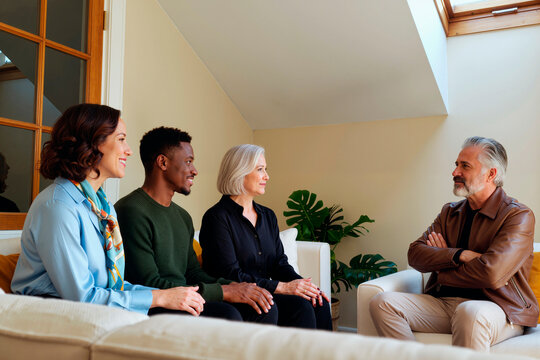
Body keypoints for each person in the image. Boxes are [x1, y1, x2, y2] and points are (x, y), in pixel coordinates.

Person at [11, 104, 207, 315]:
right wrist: (159, 297)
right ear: (93, 143)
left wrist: (170, 295)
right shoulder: (57, 207)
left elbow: (113, 287)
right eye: (121, 139)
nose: (129, 150)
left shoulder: (103, 208)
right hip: (48, 316)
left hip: (89, 311)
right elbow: (83, 297)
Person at [369, 136, 538, 351]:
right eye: (456, 165)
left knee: (469, 312)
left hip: (499, 309)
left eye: (465, 166)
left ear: (491, 174)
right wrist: (460, 255)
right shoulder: (450, 212)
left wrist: (443, 270)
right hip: (445, 303)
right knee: (382, 302)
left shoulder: (518, 216)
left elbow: (492, 274)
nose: (455, 172)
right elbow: (415, 254)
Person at [114, 127, 274, 321]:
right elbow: (148, 283)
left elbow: (193, 272)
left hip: (187, 298)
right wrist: (222, 292)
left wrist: (235, 287)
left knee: (261, 308)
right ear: (163, 162)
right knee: (229, 315)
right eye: (188, 162)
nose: (194, 170)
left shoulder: (183, 217)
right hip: (158, 304)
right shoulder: (131, 210)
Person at [199, 144, 332, 330]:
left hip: (268, 291)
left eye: (265, 170)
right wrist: (284, 288)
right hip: (239, 295)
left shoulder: (267, 215)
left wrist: (301, 285)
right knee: (299, 308)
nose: (266, 176)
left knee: (317, 302)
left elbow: (279, 262)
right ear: (240, 172)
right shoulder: (217, 217)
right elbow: (229, 274)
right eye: (260, 169)